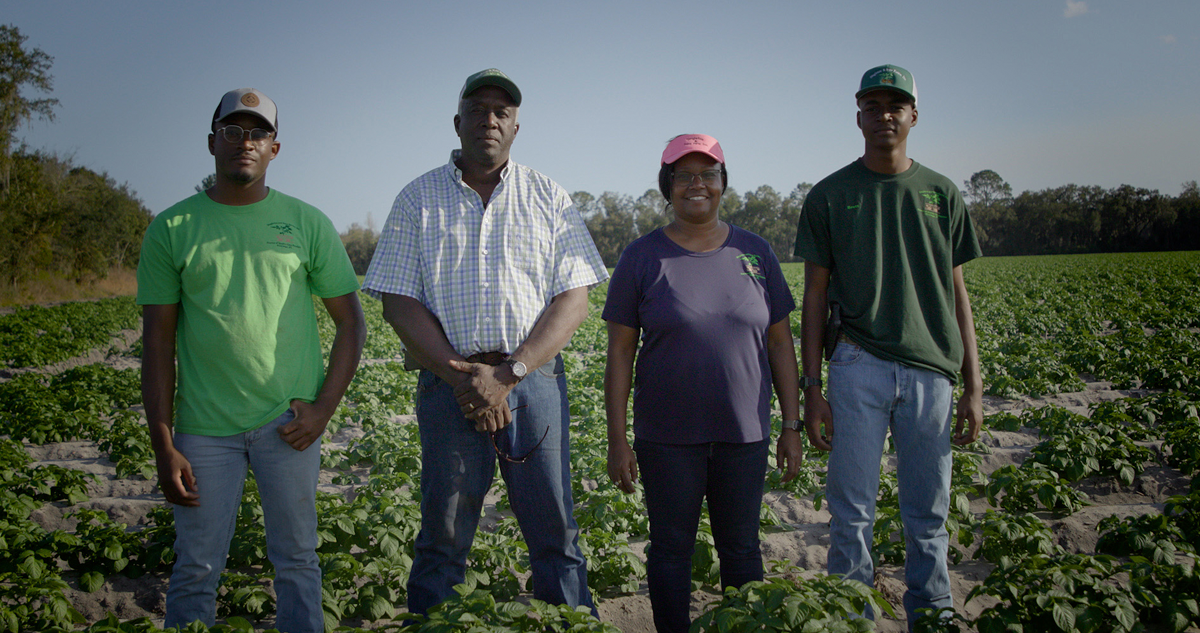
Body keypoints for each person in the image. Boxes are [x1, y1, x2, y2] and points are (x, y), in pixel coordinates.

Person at [361, 68, 607, 616]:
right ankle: (433, 624)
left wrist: (509, 374)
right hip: (452, 387)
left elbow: (574, 299)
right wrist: (461, 377)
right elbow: (398, 300)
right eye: (477, 110)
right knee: (443, 534)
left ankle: (569, 625)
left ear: (517, 127)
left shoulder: (548, 196)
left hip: (532, 382)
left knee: (555, 529)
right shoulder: (417, 198)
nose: (489, 120)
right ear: (457, 122)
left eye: (501, 112)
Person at [138, 88, 366, 633]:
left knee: (297, 561)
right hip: (202, 432)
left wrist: (323, 410)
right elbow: (156, 345)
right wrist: (163, 443)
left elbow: (352, 322)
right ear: (212, 141)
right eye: (234, 130)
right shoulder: (171, 228)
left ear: (275, 147)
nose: (246, 142)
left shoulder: (306, 223)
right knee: (195, 568)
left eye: (258, 132)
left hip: (288, 427)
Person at [793, 65, 983, 630]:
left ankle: (933, 614)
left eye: (895, 105)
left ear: (913, 115)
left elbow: (958, 294)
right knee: (851, 512)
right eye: (872, 106)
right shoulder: (830, 195)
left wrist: (973, 385)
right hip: (857, 366)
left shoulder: (941, 193)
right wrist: (811, 389)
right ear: (858, 117)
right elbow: (814, 297)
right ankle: (850, 617)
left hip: (932, 372)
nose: (884, 115)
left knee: (928, 513)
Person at [603, 134, 803, 633]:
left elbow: (780, 343)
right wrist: (617, 439)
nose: (697, 185)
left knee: (742, 548)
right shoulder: (641, 257)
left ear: (722, 184)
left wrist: (792, 423)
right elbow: (621, 351)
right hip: (667, 438)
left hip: (745, 434)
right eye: (684, 175)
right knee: (670, 548)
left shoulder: (755, 251)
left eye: (708, 175)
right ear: (667, 186)